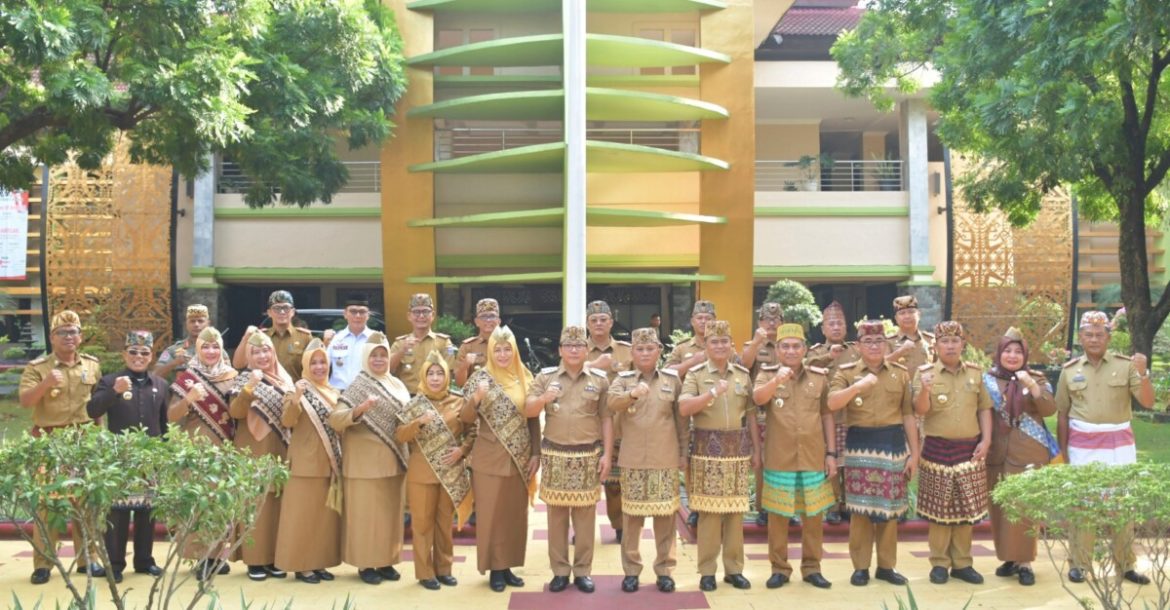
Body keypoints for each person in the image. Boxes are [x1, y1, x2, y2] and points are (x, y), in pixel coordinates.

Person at [1056, 310, 1154, 585]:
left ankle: (1125, 565)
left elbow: (1147, 402)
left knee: (1123, 505)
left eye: (1100, 334)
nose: (1094, 339)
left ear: (1109, 337)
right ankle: (1079, 564)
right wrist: (1064, 453)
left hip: (1118, 445)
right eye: (1089, 334)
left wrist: (1143, 373)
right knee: (1083, 505)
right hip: (1082, 446)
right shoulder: (1069, 370)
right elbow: (1062, 414)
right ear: (1080, 338)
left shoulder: (1125, 366)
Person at [828, 319, 918, 587]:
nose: (875, 346)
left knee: (890, 510)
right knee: (859, 509)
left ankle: (887, 566)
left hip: (892, 442)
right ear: (858, 345)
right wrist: (856, 387)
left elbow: (908, 415)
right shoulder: (846, 372)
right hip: (860, 442)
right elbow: (832, 403)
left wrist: (915, 453)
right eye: (868, 341)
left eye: (879, 340)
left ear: (887, 343)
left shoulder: (900, 373)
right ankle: (861, 567)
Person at [526, 325, 613, 594]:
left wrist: (608, 455)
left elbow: (607, 418)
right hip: (555, 454)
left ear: (587, 350)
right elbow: (528, 410)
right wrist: (544, 398)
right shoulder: (545, 377)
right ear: (560, 350)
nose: (574, 350)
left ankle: (583, 571)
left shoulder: (599, 379)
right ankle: (560, 571)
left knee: (586, 518)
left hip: (588, 454)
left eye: (579, 346)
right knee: (557, 518)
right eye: (568, 346)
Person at [19, 310, 104, 584]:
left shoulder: (91, 365)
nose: (69, 337)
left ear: (80, 337)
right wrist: (46, 383)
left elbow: (97, 404)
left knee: (85, 502)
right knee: (47, 504)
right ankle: (44, 563)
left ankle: (87, 559)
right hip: (50, 441)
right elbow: (25, 402)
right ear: (52, 337)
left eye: (74, 332)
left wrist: (98, 435)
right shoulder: (38, 367)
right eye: (63, 333)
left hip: (83, 441)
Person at [752, 323, 836, 590]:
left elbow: (827, 415)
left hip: (812, 455)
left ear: (805, 349)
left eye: (796, 346)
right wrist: (778, 379)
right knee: (777, 516)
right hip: (780, 457)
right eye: (785, 346)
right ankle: (779, 568)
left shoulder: (819, 376)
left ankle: (812, 567)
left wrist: (831, 453)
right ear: (777, 350)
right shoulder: (767, 374)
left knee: (814, 516)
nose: (791, 351)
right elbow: (757, 399)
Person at [679, 320, 760, 592]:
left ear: (732, 345)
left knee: (736, 513)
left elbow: (750, 415)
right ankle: (707, 571)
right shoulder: (696, 374)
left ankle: (734, 569)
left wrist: (755, 449)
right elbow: (684, 408)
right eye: (714, 341)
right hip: (707, 448)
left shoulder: (741, 374)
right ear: (706, 345)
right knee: (710, 515)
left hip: (736, 449)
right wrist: (711, 393)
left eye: (725, 341)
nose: (720, 346)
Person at [460, 325, 540, 592]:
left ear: (514, 350)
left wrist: (536, 453)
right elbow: (465, 418)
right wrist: (477, 397)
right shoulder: (480, 378)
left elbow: (532, 419)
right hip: (489, 457)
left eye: (508, 349)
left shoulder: (525, 376)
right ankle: (494, 568)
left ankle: (507, 566)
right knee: (491, 515)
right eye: (498, 349)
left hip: (520, 456)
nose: (503, 354)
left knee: (514, 515)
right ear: (490, 352)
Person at [912, 321, 992, 585]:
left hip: (969, 448)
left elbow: (983, 409)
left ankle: (962, 563)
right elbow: (919, 410)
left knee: (965, 508)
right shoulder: (925, 373)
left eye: (954, 341)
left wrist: (987, 439)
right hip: (937, 447)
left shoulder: (975, 373)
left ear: (962, 345)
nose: (949, 346)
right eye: (944, 341)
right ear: (935, 345)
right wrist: (925, 388)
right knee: (940, 510)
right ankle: (939, 563)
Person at [608, 328, 687, 593]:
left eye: (649, 348)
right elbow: (611, 404)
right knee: (632, 518)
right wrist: (632, 395)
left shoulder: (672, 380)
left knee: (665, 517)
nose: (644, 353)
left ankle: (665, 570)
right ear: (632, 352)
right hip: (633, 460)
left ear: (659, 352)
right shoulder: (623, 380)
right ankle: (631, 571)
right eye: (639, 349)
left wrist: (683, 453)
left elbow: (681, 421)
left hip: (664, 458)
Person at [85, 330, 168, 583]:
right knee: (118, 513)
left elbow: (163, 425)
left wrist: (164, 456)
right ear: (124, 354)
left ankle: (144, 561)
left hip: (150, 458)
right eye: (133, 352)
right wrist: (114, 392)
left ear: (151, 356)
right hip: (119, 458)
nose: (138, 357)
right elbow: (92, 410)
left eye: (144, 353)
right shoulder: (111, 380)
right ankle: (115, 564)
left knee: (147, 511)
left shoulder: (161, 385)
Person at [331, 332, 411, 585]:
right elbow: (335, 419)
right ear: (366, 357)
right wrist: (360, 410)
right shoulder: (358, 385)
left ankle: (386, 560)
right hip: (364, 463)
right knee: (366, 516)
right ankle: (366, 564)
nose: (378, 360)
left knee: (390, 514)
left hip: (393, 459)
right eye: (374, 355)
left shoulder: (396, 384)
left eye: (383, 355)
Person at [983, 327, 1058, 587]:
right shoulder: (988, 380)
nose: (1012, 356)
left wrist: (1031, 386)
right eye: (1007, 350)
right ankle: (1009, 558)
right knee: (1000, 507)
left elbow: (1049, 409)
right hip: (997, 453)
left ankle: (1025, 562)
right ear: (999, 353)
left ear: (1025, 355)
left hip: (1028, 451)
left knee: (1024, 508)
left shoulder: (1037, 378)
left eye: (1017, 351)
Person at [397, 352, 477, 590]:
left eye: (439, 373)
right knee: (422, 525)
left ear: (447, 376)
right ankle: (425, 573)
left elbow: (473, 430)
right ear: (423, 376)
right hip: (421, 474)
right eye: (430, 373)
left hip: (449, 471)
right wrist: (418, 422)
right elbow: (400, 435)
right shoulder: (414, 404)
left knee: (444, 524)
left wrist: (461, 451)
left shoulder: (458, 400)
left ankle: (444, 569)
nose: (434, 378)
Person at [167, 325, 239, 579]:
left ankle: (218, 553)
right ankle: (202, 557)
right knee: (200, 504)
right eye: (205, 346)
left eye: (215, 346)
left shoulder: (232, 375)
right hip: (196, 448)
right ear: (198, 349)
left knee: (222, 503)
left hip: (225, 447)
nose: (211, 351)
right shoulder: (187, 377)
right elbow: (172, 415)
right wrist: (189, 399)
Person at [274, 339, 343, 584]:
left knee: (324, 519)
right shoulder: (296, 390)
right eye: (313, 362)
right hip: (304, 465)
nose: (318, 367)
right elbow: (288, 421)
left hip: (329, 463)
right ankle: (302, 566)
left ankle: (319, 562)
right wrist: (297, 398)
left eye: (323, 362)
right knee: (301, 517)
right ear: (305, 365)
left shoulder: (334, 392)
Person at [229, 331, 294, 581]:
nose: (263, 356)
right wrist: (249, 387)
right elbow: (235, 412)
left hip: (280, 446)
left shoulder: (284, 378)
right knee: (255, 504)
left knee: (277, 504)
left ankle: (275, 557)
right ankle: (255, 560)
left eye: (266, 350)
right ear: (249, 355)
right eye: (256, 352)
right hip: (253, 449)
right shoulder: (243, 378)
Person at [806, 301, 861, 525]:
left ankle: (850, 503)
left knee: (850, 461)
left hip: (853, 416)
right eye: (831, 323)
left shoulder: (856, 351)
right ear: (823, 328)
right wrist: (829, 356)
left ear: (846, 327)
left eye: (840, 323)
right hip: (826, 417)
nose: (836, 327)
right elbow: (805, 366)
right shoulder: (815, 352)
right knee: (829, 461)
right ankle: (833, 505)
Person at [583, 300, 632, 542]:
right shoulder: (577, 349)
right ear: (587, 324)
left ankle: (620, 526)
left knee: (615, 482)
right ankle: (582, 531)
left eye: (604, 319)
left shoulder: (626, 350)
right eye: (594, 320)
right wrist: (593, 365)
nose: (599, 323)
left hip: (620, 424)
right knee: (585, 482)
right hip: (588, 426)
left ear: (611, 322)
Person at [741, 302, 784, 527]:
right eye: (767, 319)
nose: (772, 323)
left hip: (787, 412)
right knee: (763, 462)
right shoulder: (754, 345)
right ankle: (763, 507)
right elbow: (743, 364)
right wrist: (757, 341)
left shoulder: (791, 345)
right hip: (760, 412)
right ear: (759, 323)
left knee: (787, 460)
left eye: (776, 320)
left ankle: (787, 509)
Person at [234, 290, 313, 379]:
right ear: (269, 313)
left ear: (292, 312)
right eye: (277, 308)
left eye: (286, 308)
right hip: (266, 390)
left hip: (295, 390)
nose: (282, 312)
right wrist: (245, 338)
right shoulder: (260, 336)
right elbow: (238, 365)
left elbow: (314, 368)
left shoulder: (304, 337)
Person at [389, 293, 454, 395]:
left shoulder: (443, 342)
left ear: (432, 315)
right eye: (416, 312)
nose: (421, 316)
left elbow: (449, 373)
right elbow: (387, 369)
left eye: (425, 311)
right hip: (408, 397)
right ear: (409, 316)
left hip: (434, 398)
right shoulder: (400, 343)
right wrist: (402, 351)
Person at [325, 292, 375, 391]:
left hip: (366, 395)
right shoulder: (335, 339)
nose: (357, 316)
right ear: (345, 314)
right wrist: (325, 344)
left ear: (368, 315)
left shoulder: (375, 339)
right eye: (353, 311)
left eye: (362, 312)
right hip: (337, 393)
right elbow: (324, 366)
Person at [154, 304, 211, 380]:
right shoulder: (173, 350)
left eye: (200, 321)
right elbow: (155, 375)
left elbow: (228, 377)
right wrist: (175, 362)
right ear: (186, 324)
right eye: (192, 321)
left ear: (208, 323)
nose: (196, 325)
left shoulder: (216, 350)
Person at [454, 298, 500, 387]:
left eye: (492, 316)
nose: (488, 320)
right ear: (476, 322)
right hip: (477, 396)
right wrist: (465, 365)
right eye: (483, 316)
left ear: (498, 321)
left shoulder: (507, 345)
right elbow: (459, 383)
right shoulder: (468, 347)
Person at [666, 300, 716, 380]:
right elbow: (666, 375)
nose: (703, 321)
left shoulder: (723, 348)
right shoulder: (681, 348)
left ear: (714, 322)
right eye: (699, 318)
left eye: (708, 318)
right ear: (692, 322)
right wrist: (691, 362)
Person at [886, 295, 935, 372]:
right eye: (902, 313)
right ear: (896, 318)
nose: (907, 316)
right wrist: (900, 352)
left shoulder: (931, 339)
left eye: (911, 312)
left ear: (918, 315)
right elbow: (880, 366)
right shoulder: (887, 342)